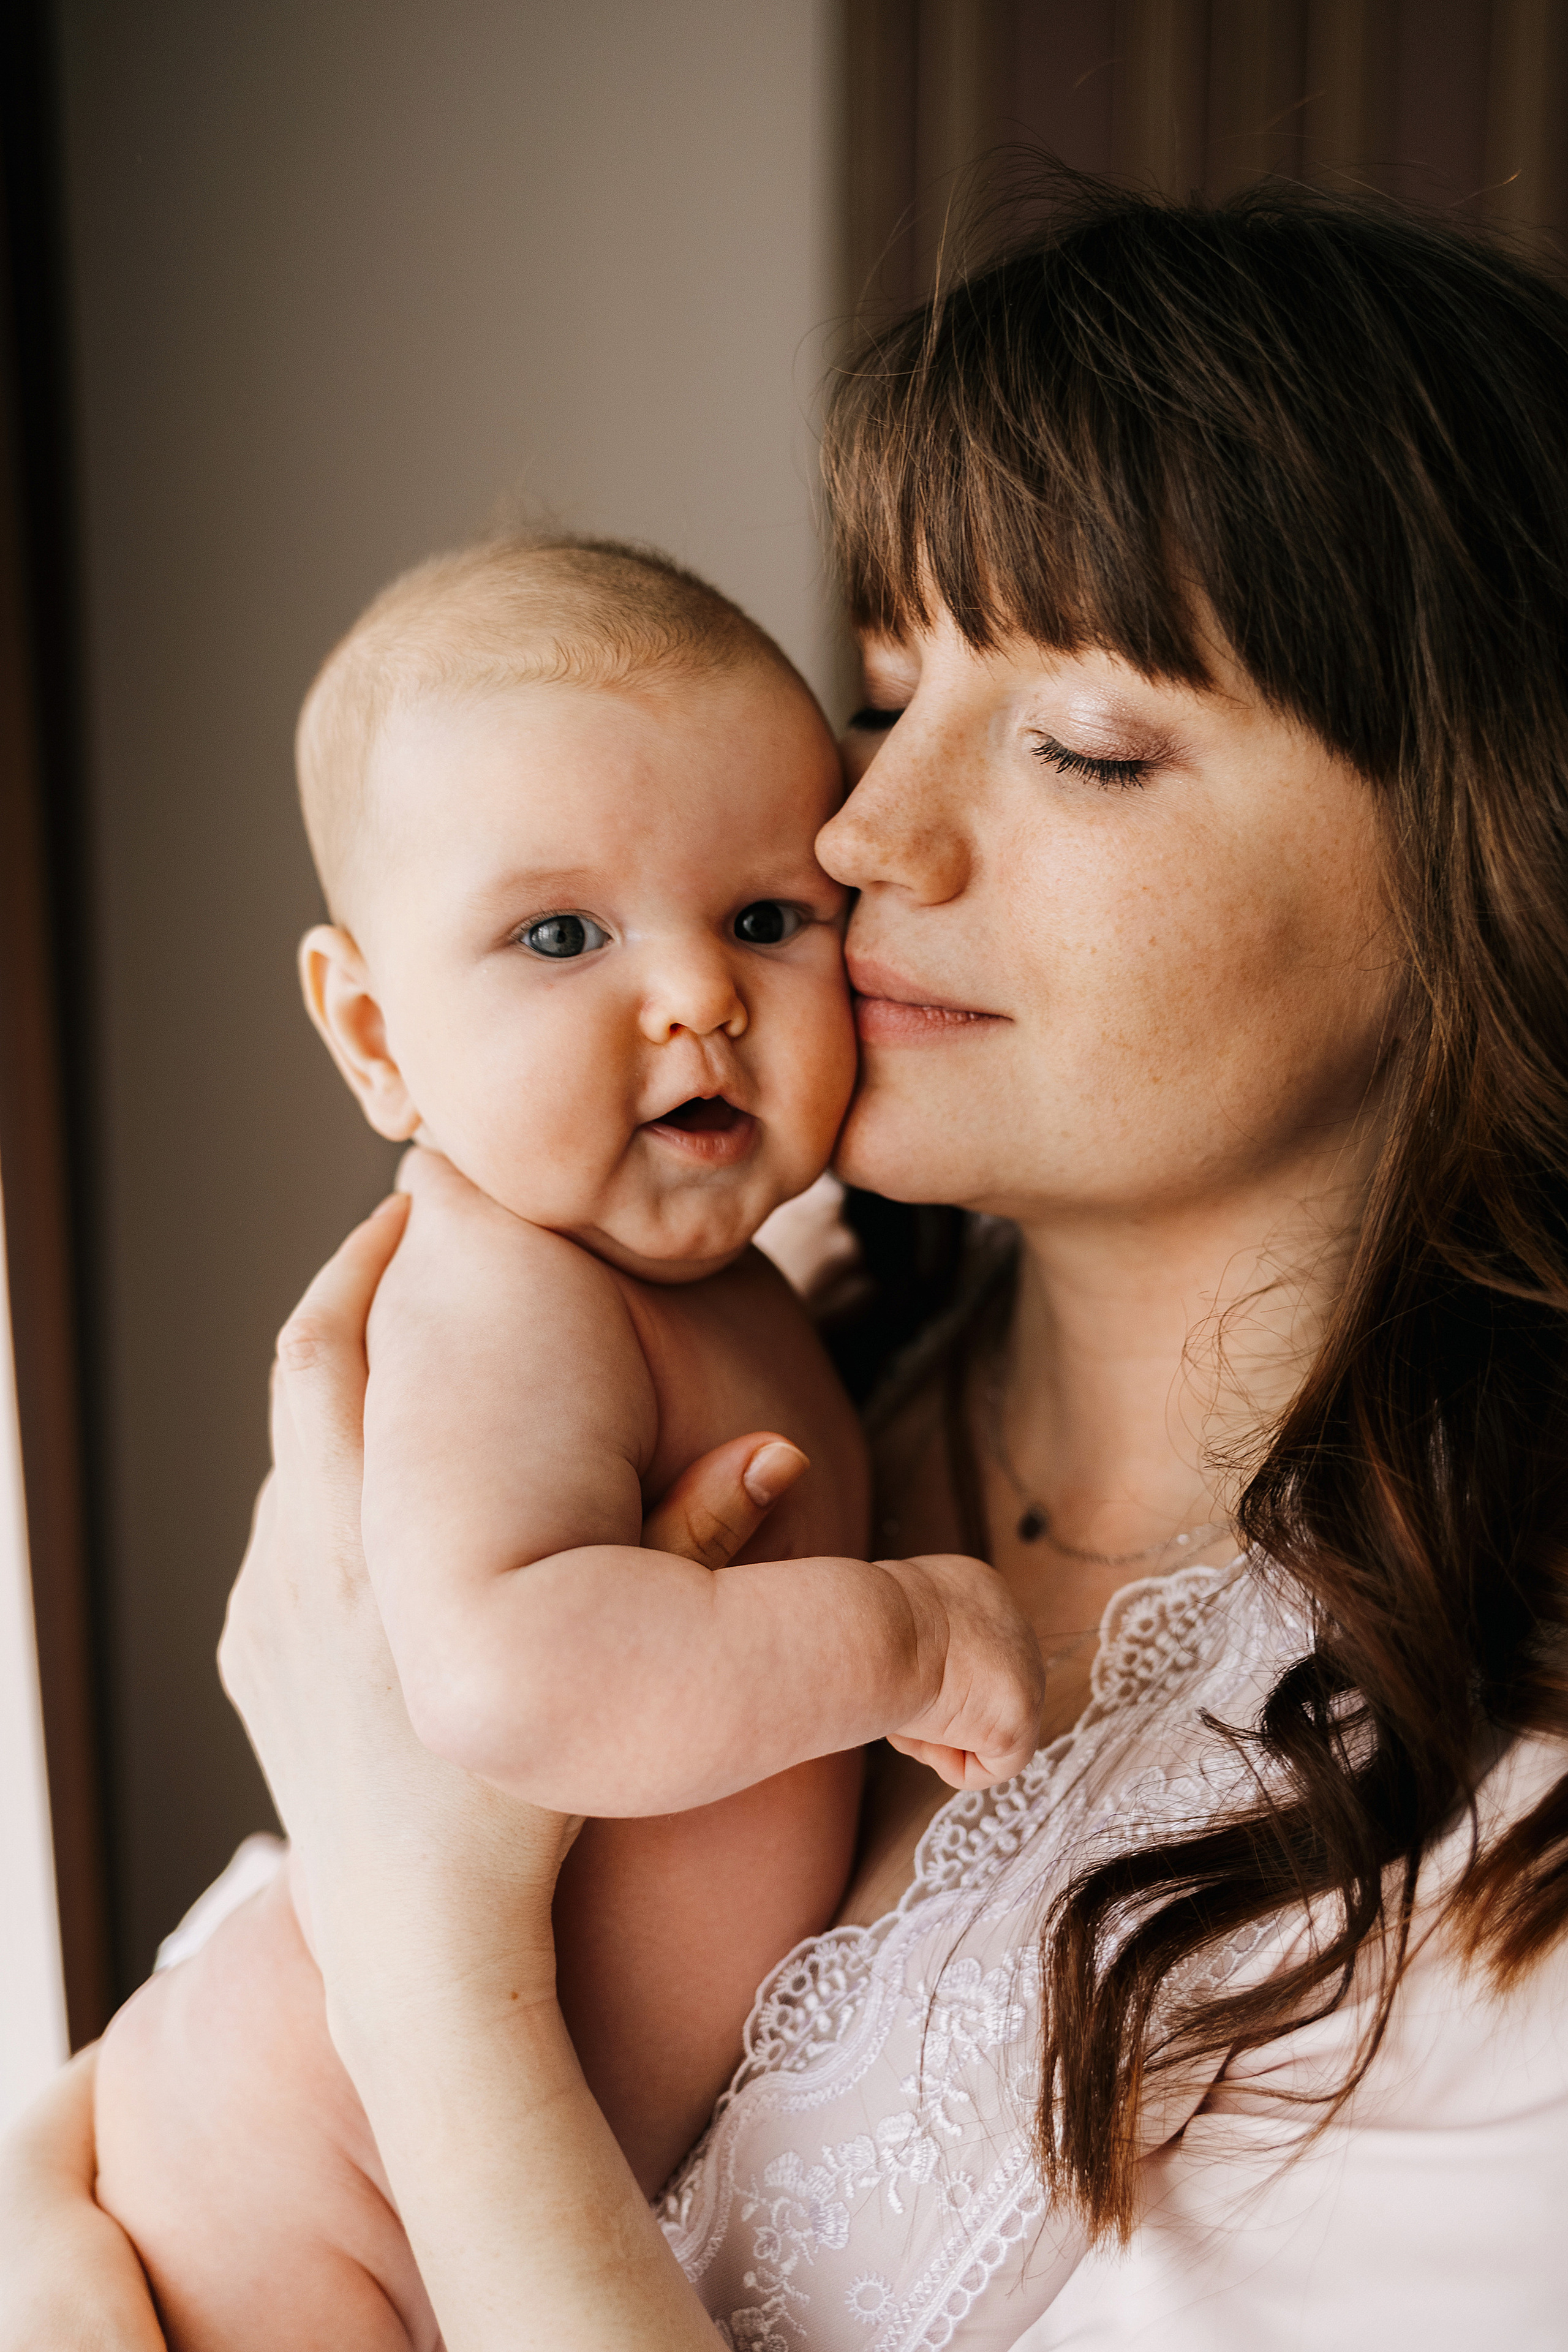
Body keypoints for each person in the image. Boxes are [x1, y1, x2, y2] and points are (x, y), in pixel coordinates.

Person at [7, 175, 1568, 2348]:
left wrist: (429, 1959)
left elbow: (386, 1900)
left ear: (1493, 860)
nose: (851, 840)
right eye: (880, 694)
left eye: (1086, 743)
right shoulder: (743, 1324)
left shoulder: (1508, 1867)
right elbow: (122, 2145)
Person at [86, 536, 1043, 2348]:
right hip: (307, 2191)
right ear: (376, 1033)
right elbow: (505, 1678)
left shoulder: (760, 1283)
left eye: (766, 918)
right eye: (560, 936)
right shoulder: (501, 1292)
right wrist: (900, 1636)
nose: (696, 995)